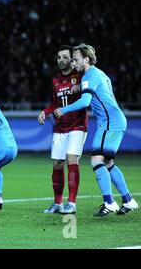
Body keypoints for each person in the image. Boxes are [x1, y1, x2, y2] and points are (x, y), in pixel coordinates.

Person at [54, 43, 138, 216]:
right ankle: (128, 200)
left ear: (86, 59)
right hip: (114, 120)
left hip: (109, 122)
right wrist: (80, 87)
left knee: (96, 160)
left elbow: (85, 102)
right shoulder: (98, 74)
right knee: (107, 162)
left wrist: (64, 109)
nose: (73, 63)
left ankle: (109, 202)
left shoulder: (89, 76)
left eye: (76, 60)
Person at [38, 46, 88, 214]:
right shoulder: (55, 79)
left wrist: (81, 87)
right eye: (59, 57)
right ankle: (57, 203)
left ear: (72, 59)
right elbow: (55, 103)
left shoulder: (81, 75)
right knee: (57, 163)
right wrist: (45, 112)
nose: (61, 60)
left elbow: (88, 95)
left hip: (78, 124)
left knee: (71, 159)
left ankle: (72, 203)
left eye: (65, 57)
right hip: (60, 126)